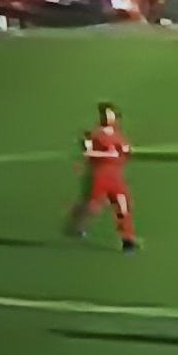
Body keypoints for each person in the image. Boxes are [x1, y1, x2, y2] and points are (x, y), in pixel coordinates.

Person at [66, 102, 137, 252]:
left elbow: (124, 153)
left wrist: (126, 151)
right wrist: (107, 154)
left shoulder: (118, 135)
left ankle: (127, 239)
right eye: (105, 114)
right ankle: (78, 224)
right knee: (92, 205)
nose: (109, 117)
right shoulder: (95, 135)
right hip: (100, 176)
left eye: (111, 114)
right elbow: (88, 153)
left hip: (116, 177)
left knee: (123, 205)